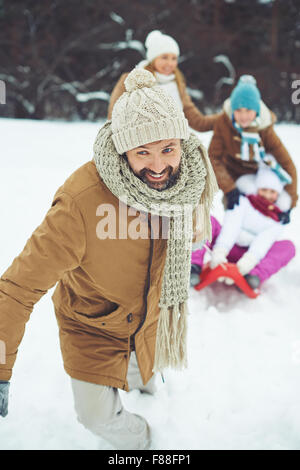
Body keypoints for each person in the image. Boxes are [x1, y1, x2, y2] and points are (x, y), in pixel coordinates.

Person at [0, 68, 218, 450]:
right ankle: (148, 443)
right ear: (123, 150)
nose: (158, 166)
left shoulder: (190, 180)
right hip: (93, 328)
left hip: (151, 321)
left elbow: (196, 228)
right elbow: (18, 288)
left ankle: (153, 400)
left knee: (149, 382)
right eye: (142, 152)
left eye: (168, 148)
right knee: (95, 416)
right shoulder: (82, 202)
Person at [190, 164, 296, 289]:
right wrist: (220, 251)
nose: (267, 195)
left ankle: (253, 276)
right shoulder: (242, 201)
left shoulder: (279, 217)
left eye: (272, 192)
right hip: (226, 245)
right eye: (264, 190)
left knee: (288, 247)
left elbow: (265, 239)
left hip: (251, 256)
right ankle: (193, 267)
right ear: (257, 188)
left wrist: (249, 261)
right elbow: (232, 225)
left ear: (278, 194)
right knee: (205, 219)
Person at [208, 75, 298, 221]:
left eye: (248, 110)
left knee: (263, 211)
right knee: (235, 210)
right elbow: (212, 158)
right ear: (233, 111)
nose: (243, 116)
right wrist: (230, 189)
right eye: (239, 110)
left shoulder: (265, 130)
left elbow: (288, 165)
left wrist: (289, 205)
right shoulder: (224, 124)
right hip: (233, 176)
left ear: (256, 111)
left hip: (259, 176)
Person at [107, 30, 220, 132]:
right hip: (141, 148)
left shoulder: (178, 84)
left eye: (174, 58)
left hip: (172, 148)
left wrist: (227, 116)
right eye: (164, 57)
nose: (170, 63)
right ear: (153, 59)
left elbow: (198, 122)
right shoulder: (131, 80)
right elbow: (113, 119)